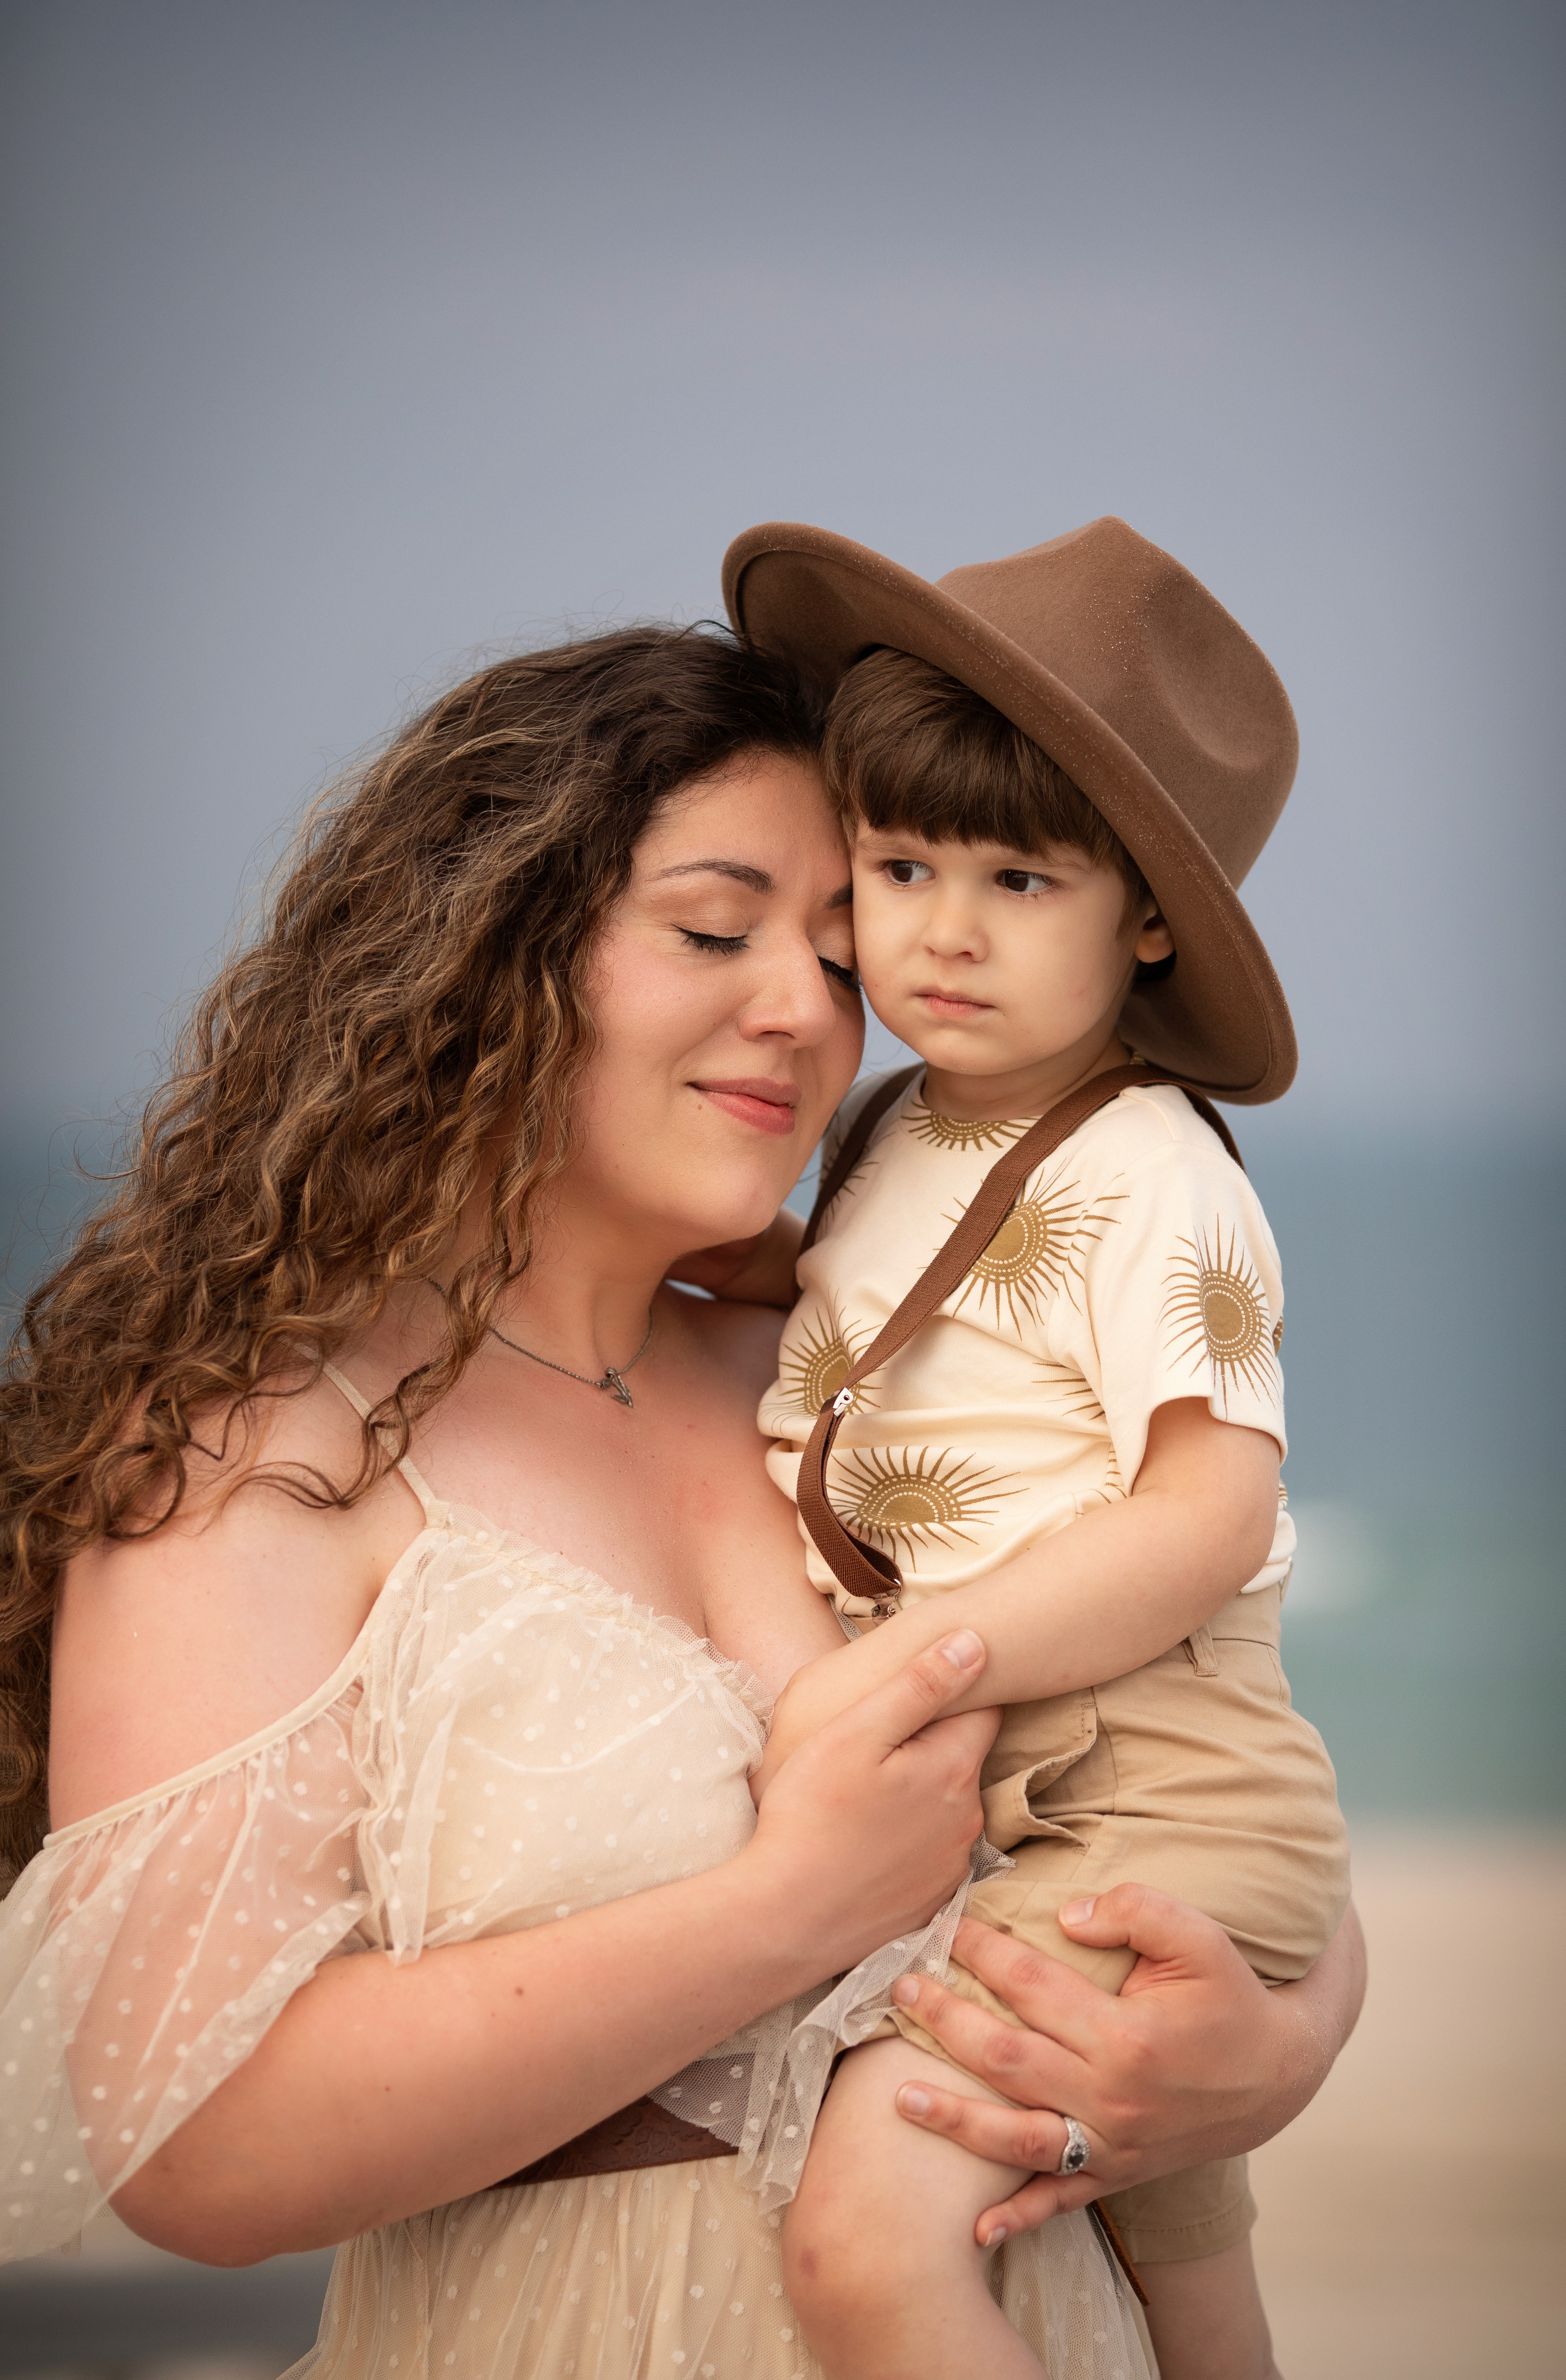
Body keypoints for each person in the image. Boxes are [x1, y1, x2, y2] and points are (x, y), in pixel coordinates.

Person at [0, 618, 1365, 2380]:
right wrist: (783, 1909)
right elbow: (191, 2153)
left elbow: (1197, 1769)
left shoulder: (839, 1389)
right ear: (486, 949)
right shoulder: (260, 1448)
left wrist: (1281, 2049)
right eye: (715, 932)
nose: (805, 1009)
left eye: (836, 952)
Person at [714, 520, 1351, 2380]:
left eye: (1018, 878)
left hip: (1150, 1788)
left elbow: (1211, 1510)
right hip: (1029, 1794)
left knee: (867, 2237)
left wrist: (923, 1657)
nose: (947, 932)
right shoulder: (893, 1125)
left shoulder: (1149, 1171)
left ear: (1144, 918)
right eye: (901, 866)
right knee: (1190, 2286)